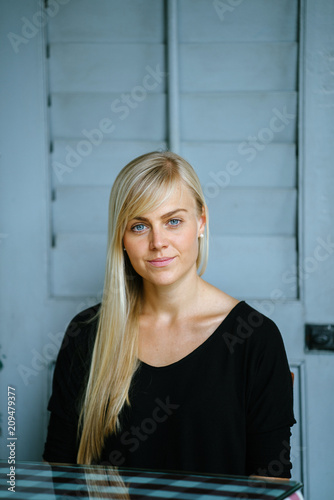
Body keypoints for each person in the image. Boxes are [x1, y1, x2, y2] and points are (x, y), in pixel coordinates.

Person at [43, 151, 296, 477]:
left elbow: (269, 480)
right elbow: (62, 465)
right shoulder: (87, 332)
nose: (158, 242)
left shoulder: (255, 337)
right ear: (121, 238)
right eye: (138, 226)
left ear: (201, 221)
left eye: (173, 221)